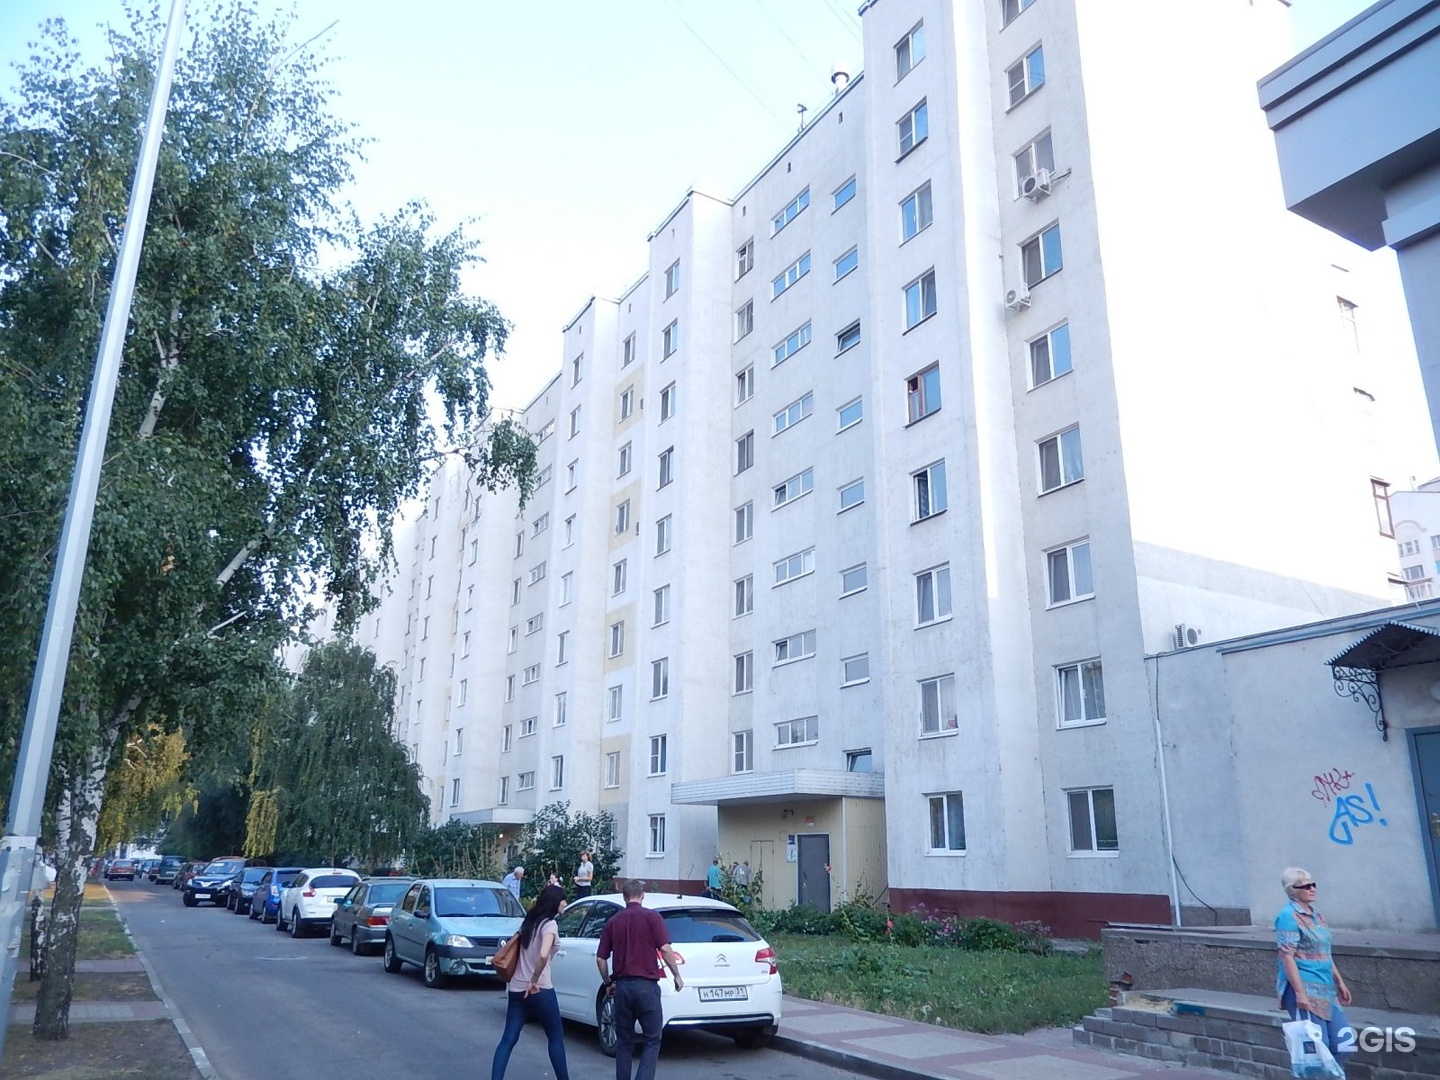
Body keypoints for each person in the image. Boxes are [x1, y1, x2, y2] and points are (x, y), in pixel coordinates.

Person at [596, 880, 684, 1080]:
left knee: (624, 1042)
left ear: (624, 897)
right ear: (643, 895)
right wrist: (677, 975)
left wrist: (608, 983)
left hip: (622, 988)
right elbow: (665, 949)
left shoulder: (613, 922)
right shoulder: (652, 917)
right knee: (652, 1040)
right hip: (647, 988)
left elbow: (600, 959)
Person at [489, 884, 571, 1080]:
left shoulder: (529, 922)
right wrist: (534, 979)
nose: (565, 904)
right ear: (555, 902)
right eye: (563, 900)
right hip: (540, 989)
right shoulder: (549, 925)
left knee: (508, 1039)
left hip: (517, 988)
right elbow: (543, 955)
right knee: (555, 1038)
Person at [1275, 867, 1354, 1069]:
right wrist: (1300, 993)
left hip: (1326, 988)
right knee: (1319, 1047)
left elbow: (1325, 952)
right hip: (1305, 988)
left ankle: (1329, 1074)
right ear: (1292, 890)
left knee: (1344, 1043)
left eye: (1313, 884)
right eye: (1306, 886)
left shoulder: (1317, 915)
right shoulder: (1288, 916)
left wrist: (1340, 982)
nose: (1312, 889)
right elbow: (1287, 956)